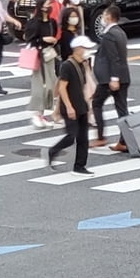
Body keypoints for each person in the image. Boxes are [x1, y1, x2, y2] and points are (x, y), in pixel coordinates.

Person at [46, 35, 97, 176]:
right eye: (85, 47)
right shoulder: (67, 66)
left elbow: (84, 86)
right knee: (71, 136)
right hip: (70, 106)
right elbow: (62, 88)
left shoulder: (83, 64)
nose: (88, 50)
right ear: (78, 49)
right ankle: (53, 151)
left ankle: (79, 166)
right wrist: (68, 107)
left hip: (81, 105)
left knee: (83, 138)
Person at [90, 5, 130, 150]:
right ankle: (124, 141)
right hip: (123, 77)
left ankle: (101, 137)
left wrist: (114, 78)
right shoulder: (120, 32)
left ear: (109, 17)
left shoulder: (109, 35)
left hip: (110, 79)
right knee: (122, 108)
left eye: (104, 14)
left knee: (96, 103)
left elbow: (114, 58)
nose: (103, 17)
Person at [24, 0, 59, 130]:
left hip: (49, 55)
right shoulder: (34, 23)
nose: (48, 7)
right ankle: (36, 113)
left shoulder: (52, 22)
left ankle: (42, 113)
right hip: (39, 56)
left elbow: (55, 36)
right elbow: (30, 39)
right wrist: (44, 39)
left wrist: (51, 41)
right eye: (45, 5)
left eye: (49, 5)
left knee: (50, 85)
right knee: (40, 85)